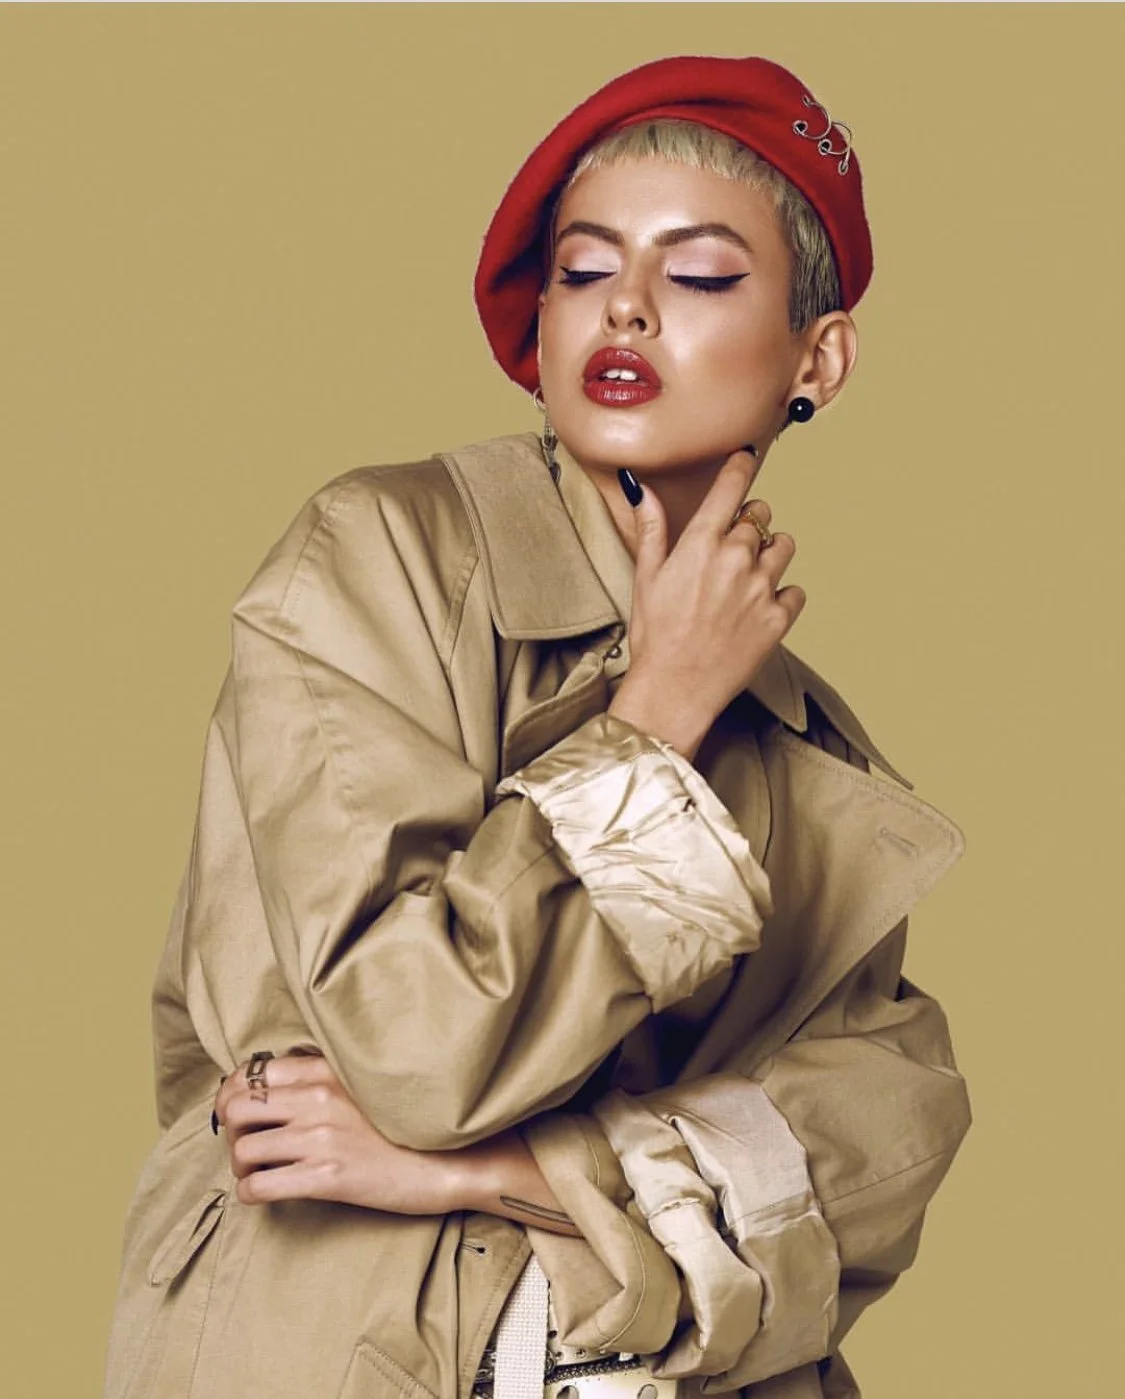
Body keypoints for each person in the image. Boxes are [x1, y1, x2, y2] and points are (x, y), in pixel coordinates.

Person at [103, 54, 970, 1399]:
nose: (625, 306)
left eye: (699, 275)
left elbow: (884, 1147)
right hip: (340, 1343)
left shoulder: (813, 747)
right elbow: (412, 1046)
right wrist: (652, 719)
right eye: (584, 268)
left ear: (821, 356)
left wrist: (495, 1174)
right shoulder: (377, 562)